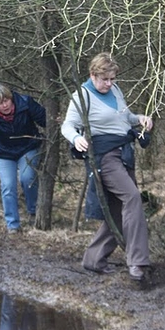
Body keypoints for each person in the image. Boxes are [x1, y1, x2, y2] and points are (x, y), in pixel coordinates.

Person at [61, 52, 153, 281]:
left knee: (117, 211)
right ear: (93, 75)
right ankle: (137, 262)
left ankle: (93, 259)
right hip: (105, 158)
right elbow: (67, 126)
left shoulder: (115, 90)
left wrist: (140, 118)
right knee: (132, 197)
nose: (109, 83)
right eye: (105, 79)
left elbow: (124, 117)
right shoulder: (82, 96)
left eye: (112, 78)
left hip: (124, 153)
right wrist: (76, 139)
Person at [0, 84, 46, 234]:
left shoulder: (25, 103)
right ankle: (13, 224)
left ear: (11, 98)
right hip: (4, 152)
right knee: (8, 186)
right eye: (0, 103)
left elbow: (45, 119)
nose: (4, 105)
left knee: (27, 178)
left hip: (27, 147)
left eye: (6, 101)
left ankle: (33, 211)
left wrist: (56, 120)